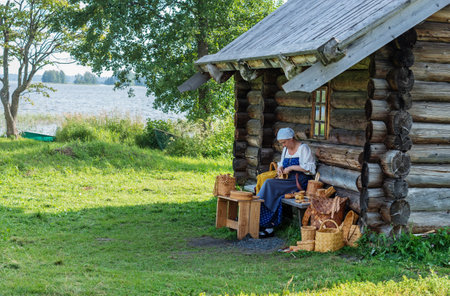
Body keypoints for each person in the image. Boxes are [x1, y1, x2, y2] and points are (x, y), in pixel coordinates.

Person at [257, 127, 316, 238]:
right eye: (281, 143)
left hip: (299, 182)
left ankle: (266, 224)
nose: (283, 145)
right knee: (269, 185)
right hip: (287, 180)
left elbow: (310, 168)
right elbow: (281, 162)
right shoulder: (285, 150)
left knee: (270, 184)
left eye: (284, 142)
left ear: (291, 139)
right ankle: (262, 221)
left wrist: (292, 167)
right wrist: (280, 167)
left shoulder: (303, 148)